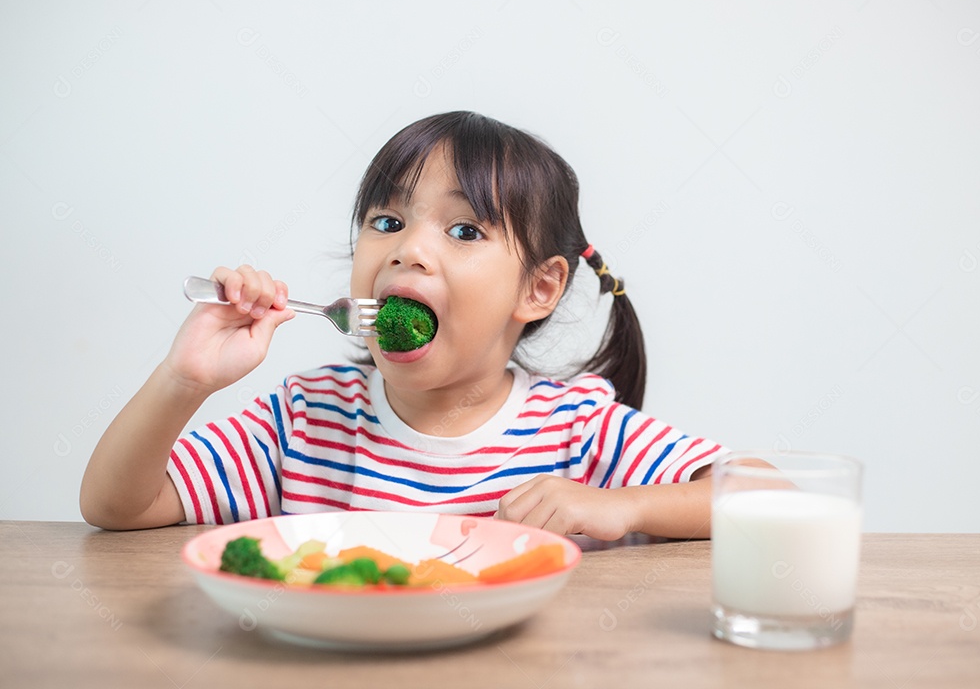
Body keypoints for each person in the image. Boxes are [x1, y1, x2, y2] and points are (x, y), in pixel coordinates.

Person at [80, 111, 724, 540]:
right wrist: (183, 379)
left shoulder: (578, 430)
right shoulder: (308, 423)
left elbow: (757, 495)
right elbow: (117, 507)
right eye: (386, 222)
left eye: (464, 230)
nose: (407, 249)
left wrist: (626, 504)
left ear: (539, 288)